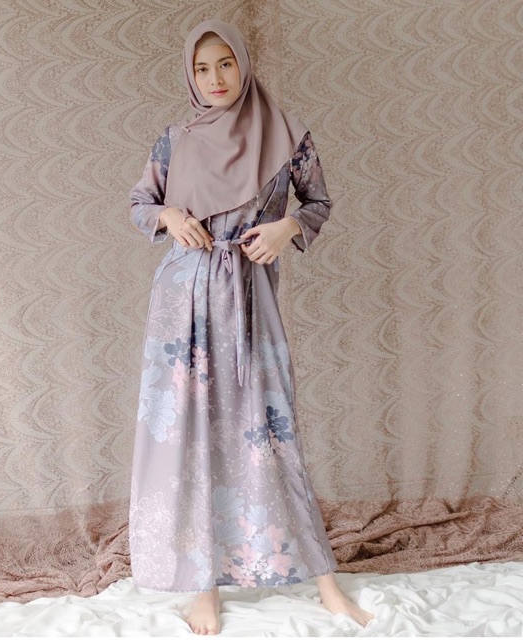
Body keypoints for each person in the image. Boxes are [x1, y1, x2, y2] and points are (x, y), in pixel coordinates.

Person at [128, 19, 374, 635]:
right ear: (190, 74)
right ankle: (203, 586)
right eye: (202, 68)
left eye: (225, 64)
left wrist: (289, 227)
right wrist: (170, 216)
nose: (214, 78)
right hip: (182, 302)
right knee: (191, 434)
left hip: (248, 296)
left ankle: (324, 581)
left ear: (243, 64)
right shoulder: (176, 140)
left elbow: (318, 203)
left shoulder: (288, 136)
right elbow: (139, 204)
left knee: (269, 428)